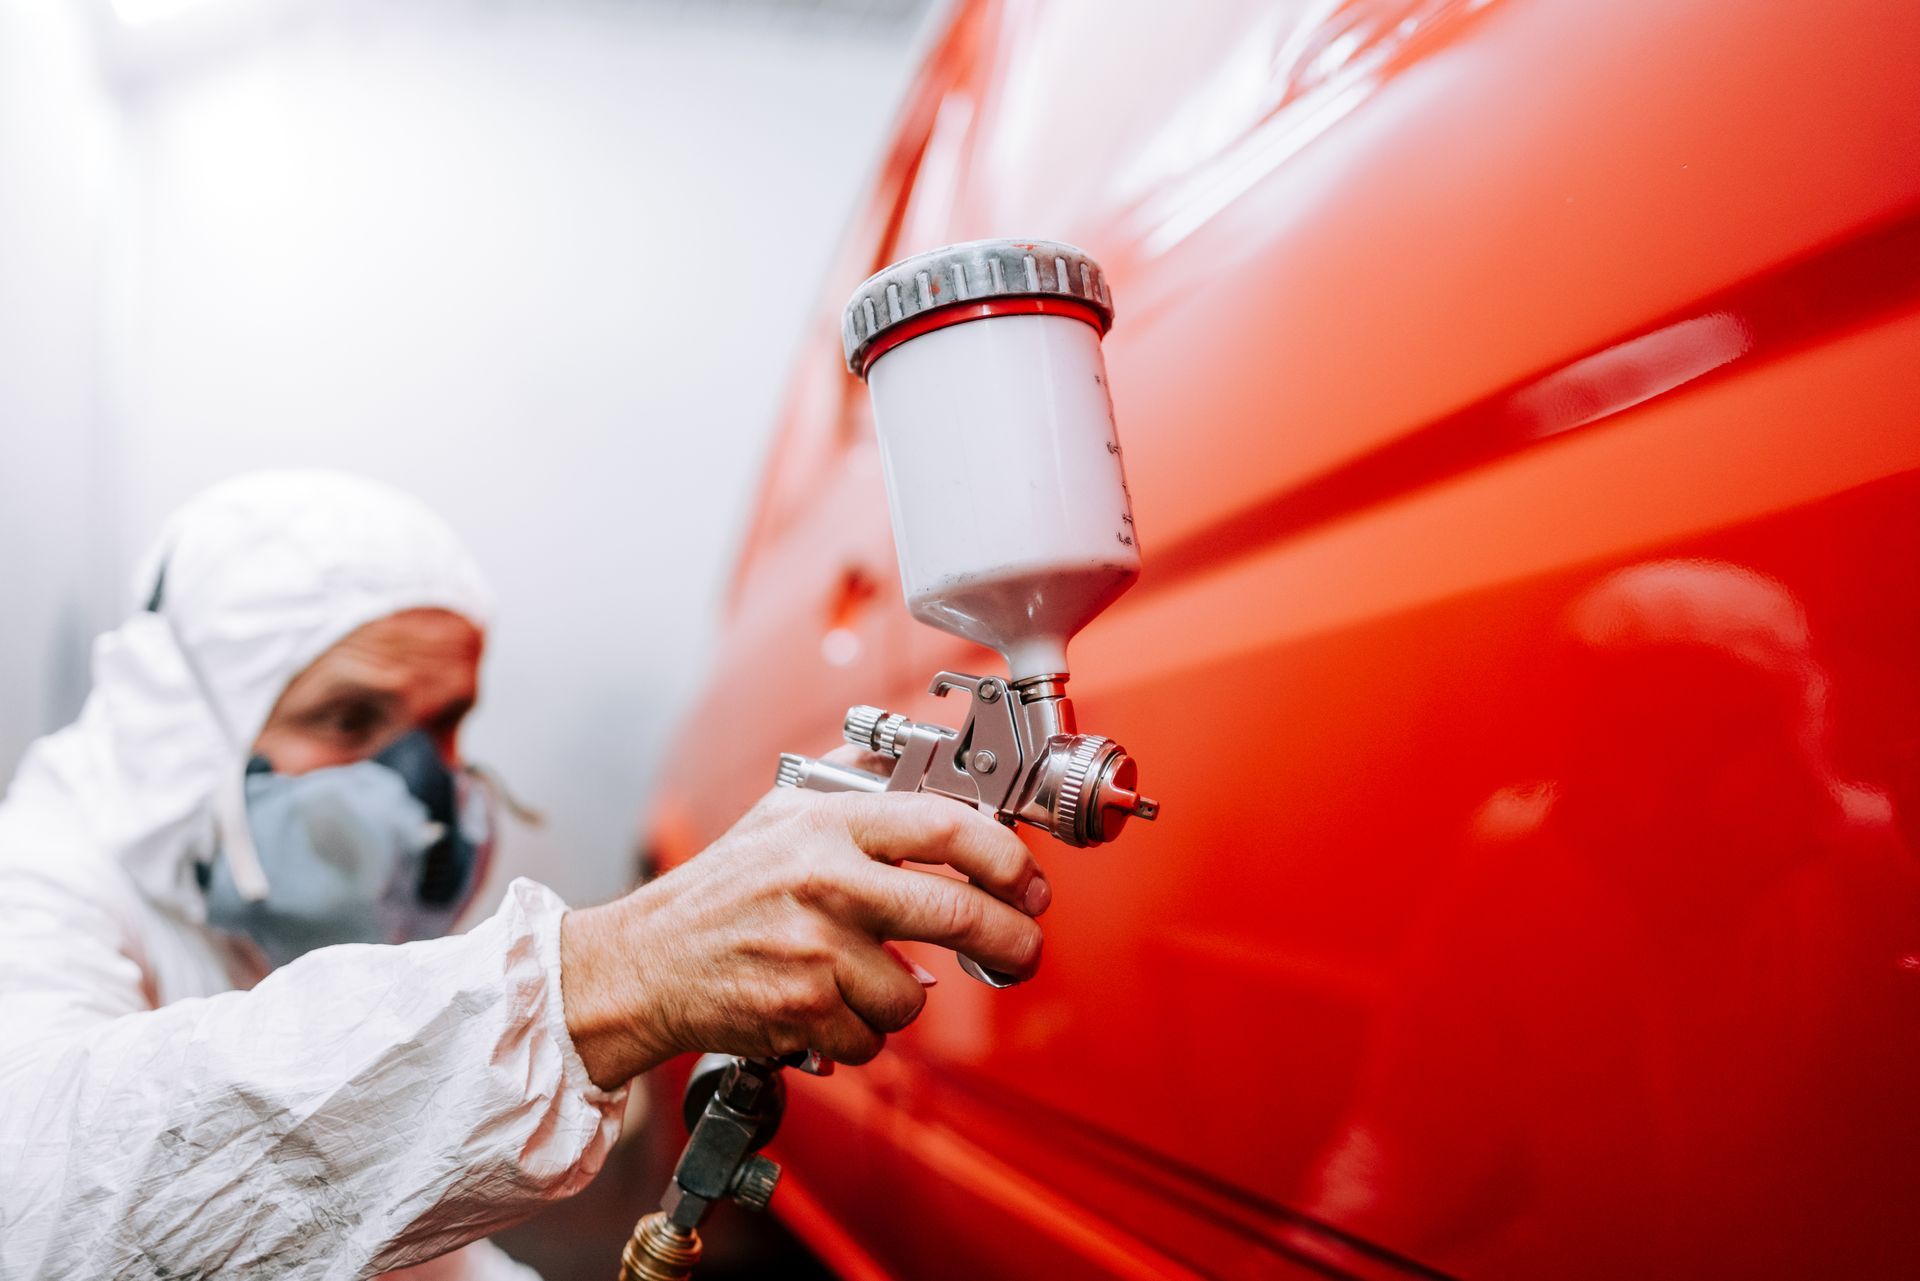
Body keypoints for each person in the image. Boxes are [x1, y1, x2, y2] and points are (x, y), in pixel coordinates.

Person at [0, 471, 1048, 1279]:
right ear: (189, 733)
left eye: (445, 726)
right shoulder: (41, 885)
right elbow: (40, 1197)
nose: (418, 794)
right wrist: (610, 976)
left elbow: (373, 1237)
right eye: (351, 719)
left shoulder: (259, 911)